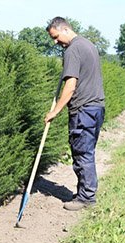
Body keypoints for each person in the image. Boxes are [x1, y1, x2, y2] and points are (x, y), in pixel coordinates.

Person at [45, 17, 105, 211]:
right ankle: (84, 192)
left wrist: (55, 111)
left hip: (83, 109)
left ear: (64, 29)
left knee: (82, 153)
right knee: (87, 151)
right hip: (96, 107)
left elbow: (70, 87)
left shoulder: (72, 50)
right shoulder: (89, 45)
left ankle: (86, 198)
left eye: (55, 37)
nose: (55, 42)